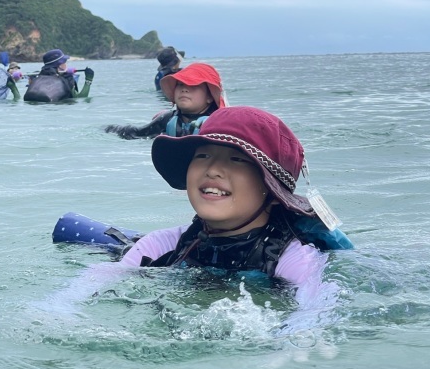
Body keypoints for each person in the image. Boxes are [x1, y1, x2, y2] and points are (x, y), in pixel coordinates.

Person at [119, 106, 353, 286]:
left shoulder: (294, 260)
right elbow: (98, 281)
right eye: (203, 156)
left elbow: (314, 312)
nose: (213, 169)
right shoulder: (165, 244)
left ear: (274, 193)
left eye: (237, 159)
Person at [105, 62, 227, 139]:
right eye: (179, 84)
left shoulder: (220, 124)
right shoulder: (167, 119)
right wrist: (111, 128)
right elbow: (137, 133)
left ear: (210, 96)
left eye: (193, 85)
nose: (184, 89)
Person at [24, 49, 94, 102]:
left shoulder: (36, 78)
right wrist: (88, 80)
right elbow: (80, 99)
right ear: (59, 65)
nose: (66, 64)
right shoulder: (67, 79)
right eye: (64, 62)